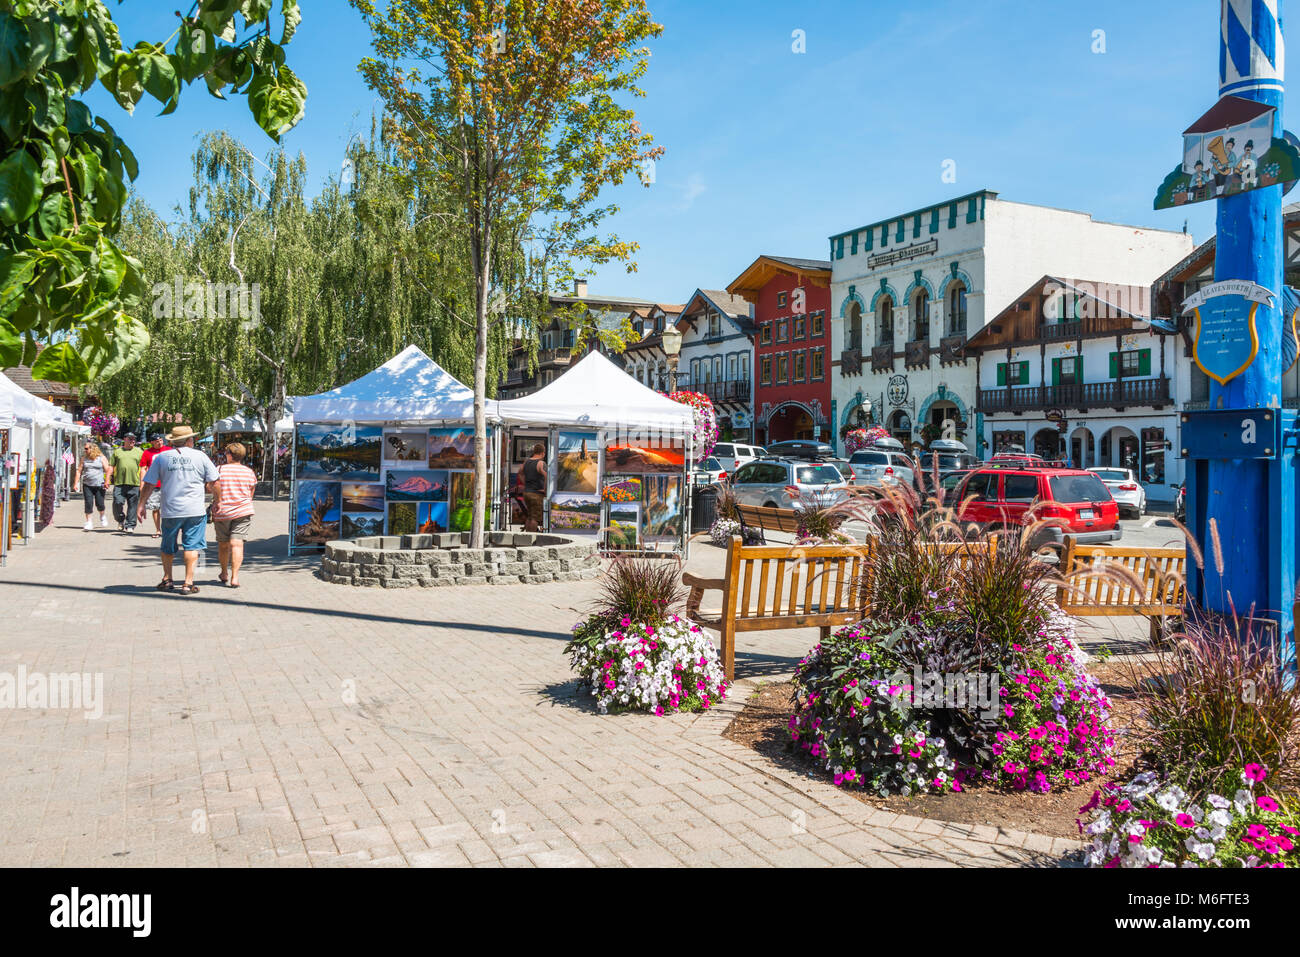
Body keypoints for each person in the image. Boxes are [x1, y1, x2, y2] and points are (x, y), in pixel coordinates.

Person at [137, 425, 218, 596]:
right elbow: (214, 482)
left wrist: (141, 504)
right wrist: (218, 501)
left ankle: (167, 579)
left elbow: (149, 482)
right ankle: (188, 583)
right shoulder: (200, 456)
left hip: (170, 510)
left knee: (167, 546)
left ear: (173, 441)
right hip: (195, 510)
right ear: (190, 440)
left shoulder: (162, 457)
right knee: (192, 546)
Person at [212, 442, 256, 588]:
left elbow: (212, 487)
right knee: (237, 544)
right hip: (243, 511)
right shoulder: (249, 472)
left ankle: (224, 572)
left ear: (229, 455)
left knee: (223, 545)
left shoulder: (219, 469)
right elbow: (251, 493)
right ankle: (235, 577)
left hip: (222, 511)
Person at [109, 433, 144, 532]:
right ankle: (120, 520)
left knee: (133, 505)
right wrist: (107, 479)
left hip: (134, 483)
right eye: (130, 439)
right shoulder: (117, 452)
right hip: (119, 483)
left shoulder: (139, 452)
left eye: (134, 439)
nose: (133, 441)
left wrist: (142, 483)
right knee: (117, 502)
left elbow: (143, 468)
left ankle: (130, 525)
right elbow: (111, 466)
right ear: (125, 439)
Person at [138, 433, 171, 538]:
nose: (160, 442)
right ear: (151, 442)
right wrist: (142, 483)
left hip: (168, 484)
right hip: (154, 484)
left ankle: (169, 530)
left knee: (168, 508)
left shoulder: (169, 450)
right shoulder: (147, 453)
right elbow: (143, 468)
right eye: (157, 441)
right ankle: (158, 530)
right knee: (155, 507)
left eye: (161, 440)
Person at [75, 441, 111, 530]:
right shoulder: (84, 458)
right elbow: (79, 471)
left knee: (100, 503)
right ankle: (88, 522)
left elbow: (107, 470)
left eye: (87, 448)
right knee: (88, 503)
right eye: (85, 448)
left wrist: (107, 481)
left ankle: (102, 516)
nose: (85, 450)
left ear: (93, 449)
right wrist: (75, 483)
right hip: (87, 484)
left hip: (99, 484)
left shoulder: (101, 458)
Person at [519, 442, 546, 532]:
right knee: (535, 518)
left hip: (527, 492)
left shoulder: (526, 461)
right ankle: (533, 538)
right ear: (543, 453)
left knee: (530, 517)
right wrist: (545, 490)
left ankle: (527, 537)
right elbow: (547, 476)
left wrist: (526, 484)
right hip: (537, 494)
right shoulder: (541, 463)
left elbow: (520, 473)